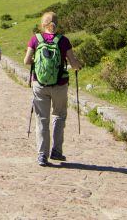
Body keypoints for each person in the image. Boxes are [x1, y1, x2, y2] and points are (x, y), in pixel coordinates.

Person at [23, 11, 81, 166]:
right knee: (59, 116)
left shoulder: (36, 39)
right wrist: (77, 66)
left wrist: (38, 61)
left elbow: (26, 61)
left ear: (43, 24)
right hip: (60, 85)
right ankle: (56, 151)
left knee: (42, 119)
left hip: (39, 85)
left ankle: (42, 155)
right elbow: (73, 63)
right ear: (57, 23)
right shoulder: (63, 41)